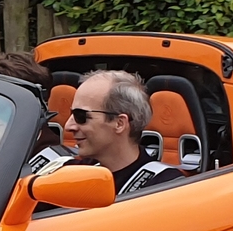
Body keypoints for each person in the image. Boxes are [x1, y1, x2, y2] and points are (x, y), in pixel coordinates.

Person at [50, 68, 180, 199]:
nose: (68, 126)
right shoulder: (69, 175)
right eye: (71, 114)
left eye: (81, 116)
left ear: (119, 123)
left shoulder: (165, 189)